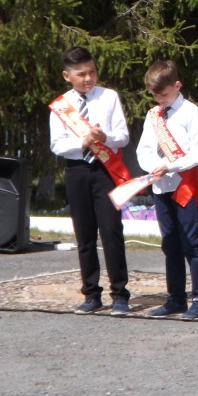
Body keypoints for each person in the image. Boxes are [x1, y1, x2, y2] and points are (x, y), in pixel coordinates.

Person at [47, 46, 131, 316]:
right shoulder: (61, 106)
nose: (88, 78)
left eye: (92, 72)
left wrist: (105, 138)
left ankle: (120, 294)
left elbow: (123, 136)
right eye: (81, 74)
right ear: (67, 76)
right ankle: (91, 293)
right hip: (77, 170)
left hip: (105, 170)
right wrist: (81, 142)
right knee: (84, 234)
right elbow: (57, 145)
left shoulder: (109, 97)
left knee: (111, 230)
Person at [136, 60, 198, 320]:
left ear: (177, 86)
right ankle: (175, 298)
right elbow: (144, 149)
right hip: (160, 186)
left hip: (183, 184)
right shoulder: (153, 115)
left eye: (164, 95)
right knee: (170, 243)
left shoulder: (191, 112)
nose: (160, 100)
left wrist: (170, 165)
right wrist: (152, 166)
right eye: (155, 96)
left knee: (191, 242)